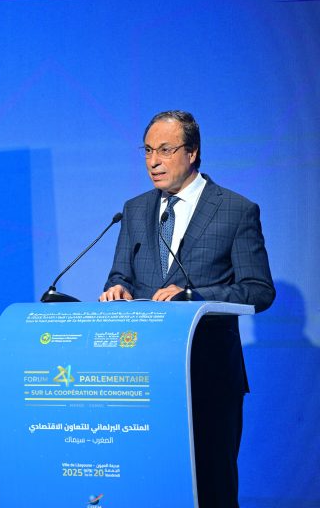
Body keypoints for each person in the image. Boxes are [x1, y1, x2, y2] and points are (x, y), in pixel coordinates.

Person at [100, 110, 275, 507]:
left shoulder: (235, 210)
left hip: (208, 377)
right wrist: (116, 290)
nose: (153, 161)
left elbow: (258, 291)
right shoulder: (134, 210)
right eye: (147, 151)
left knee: (209, 489)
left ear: (192, 152)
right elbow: (119, 275)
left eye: (165, 150)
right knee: (146, 489)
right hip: (142, 378)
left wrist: (193, 296)